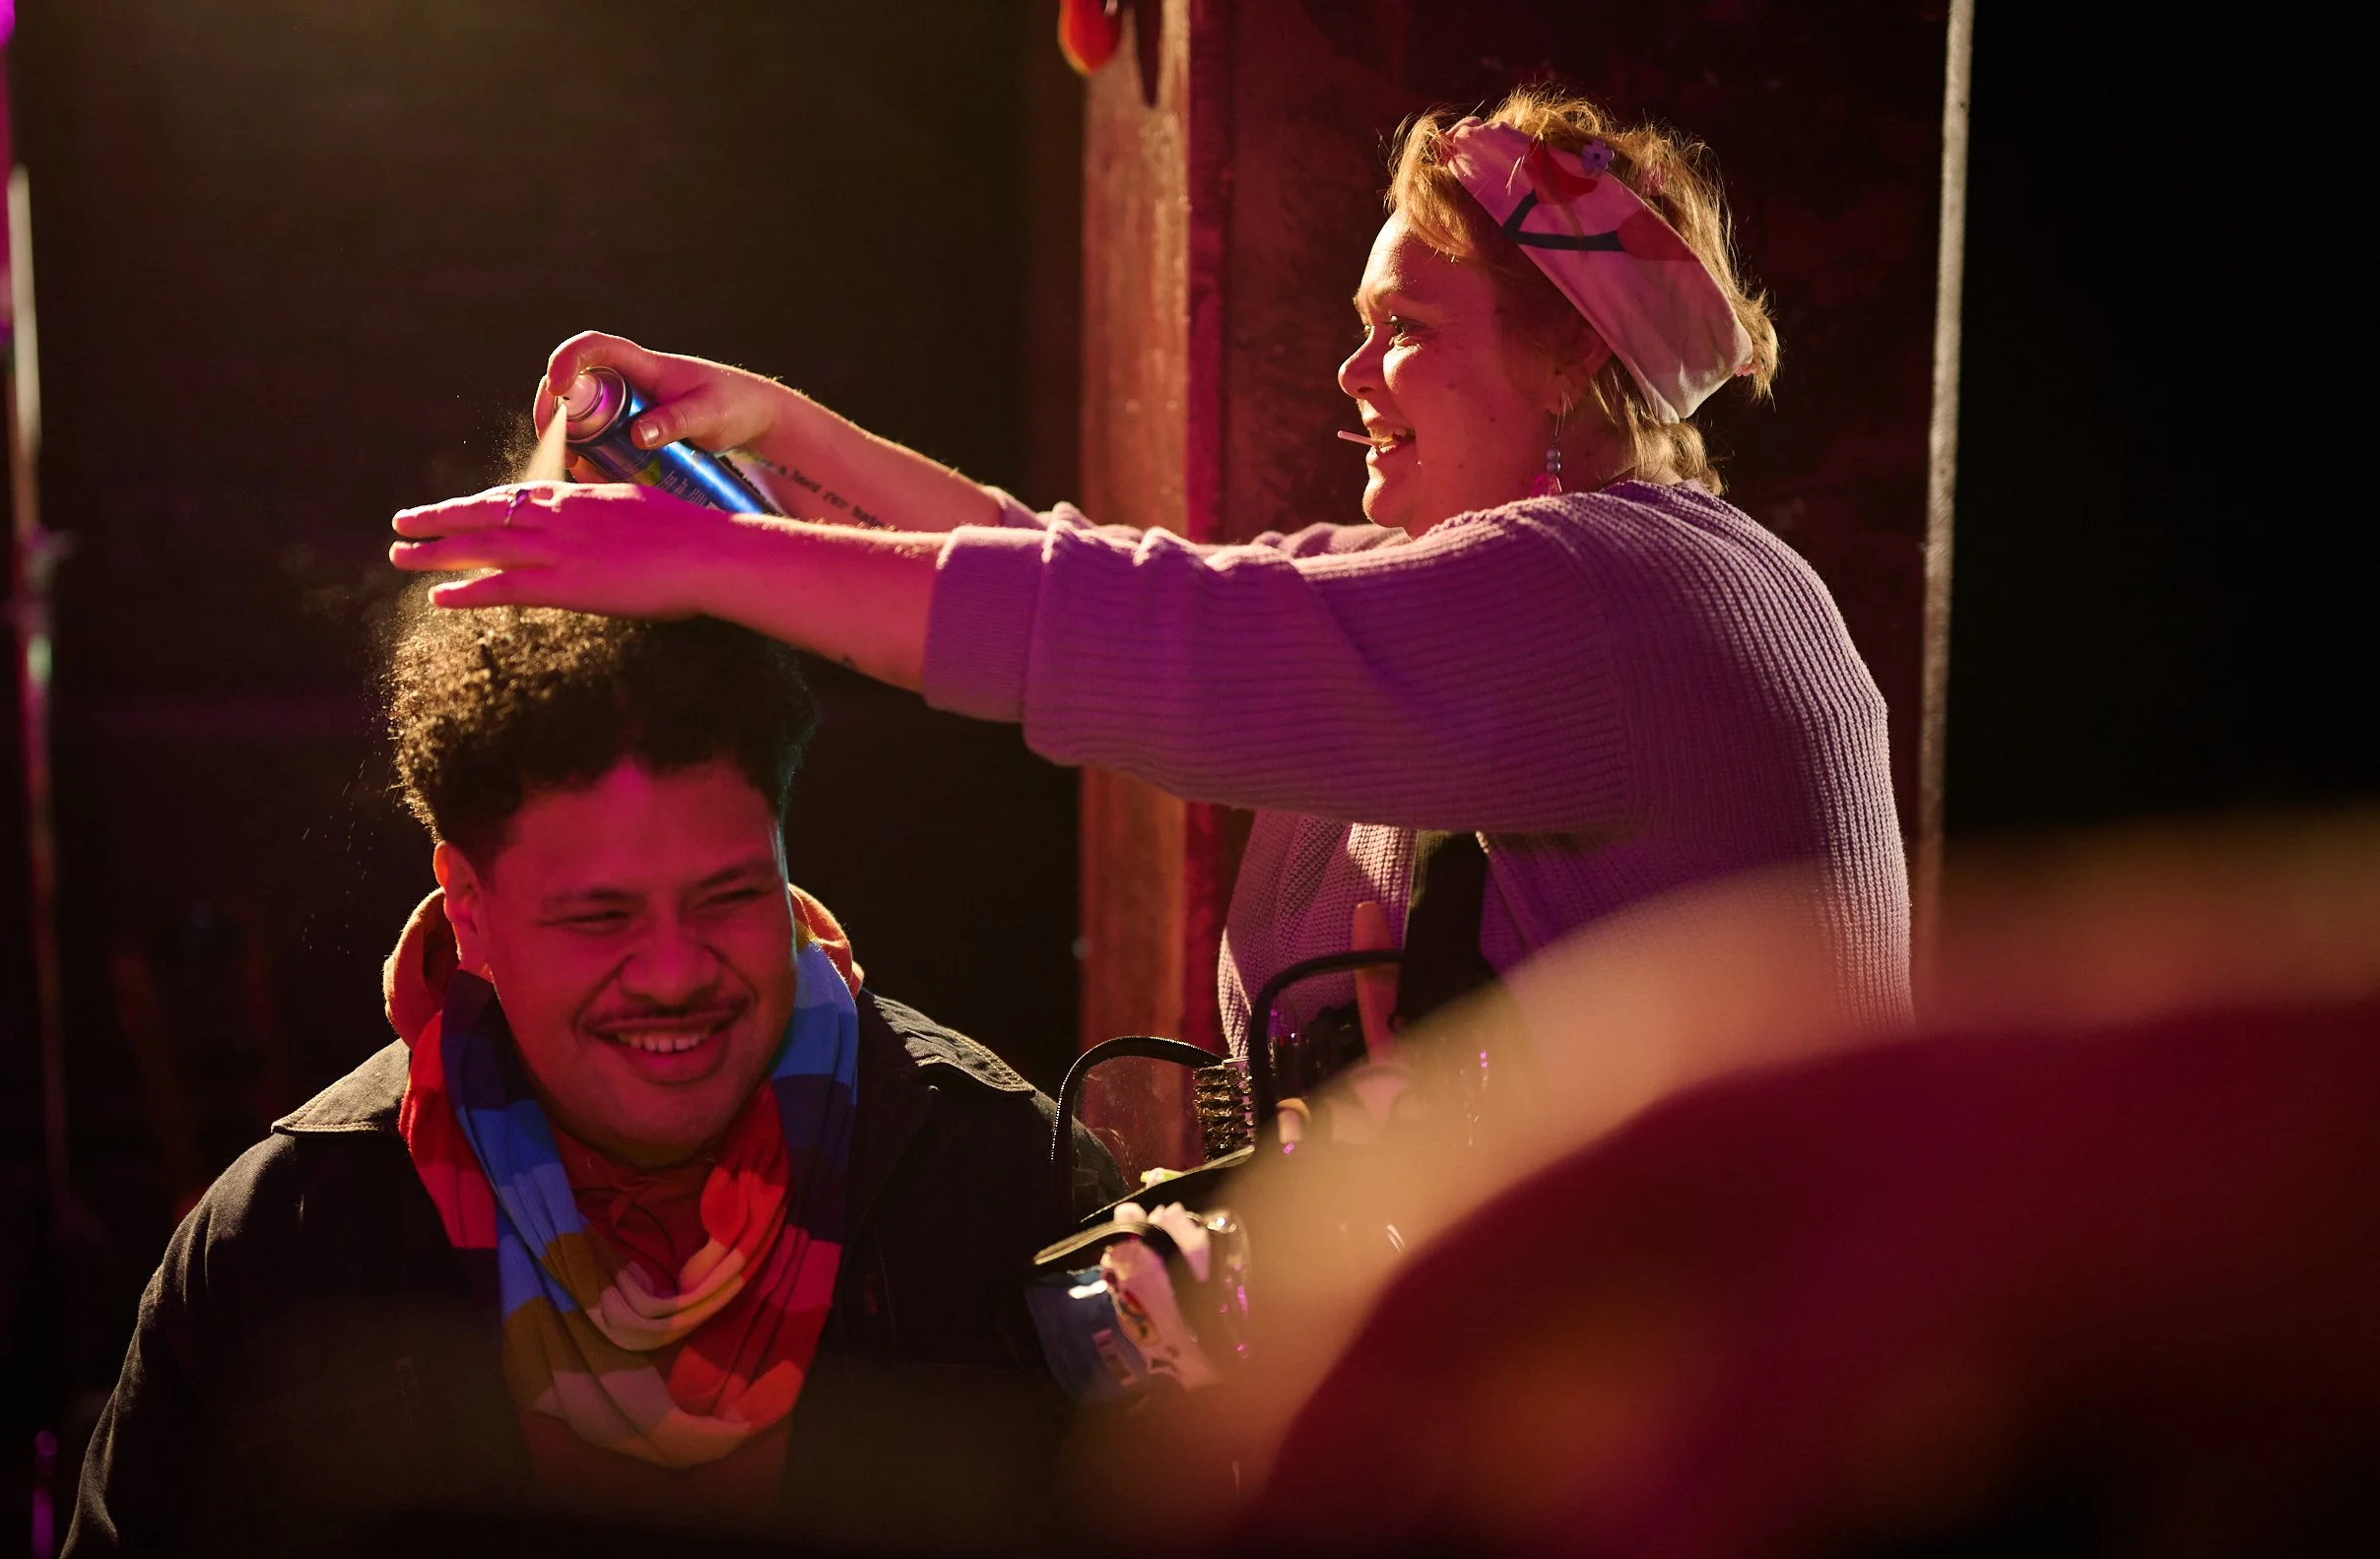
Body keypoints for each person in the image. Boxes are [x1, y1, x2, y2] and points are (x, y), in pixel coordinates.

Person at [390, 87, 1911, 1058]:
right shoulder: (1468, 594)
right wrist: (773, 431)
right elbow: (1078, 571)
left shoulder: (1628, 598)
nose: (1351, 372)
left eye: (1405, 330)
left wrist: (700, 555)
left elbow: (1127, 626)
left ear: (1570, 356)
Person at [47, 606, 1118, 1559]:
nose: (673, 973)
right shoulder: (282, 1240)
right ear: (468, 910)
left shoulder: (1003, 1180)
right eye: (600, 914)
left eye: (729, 896)